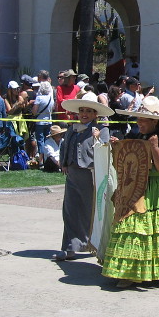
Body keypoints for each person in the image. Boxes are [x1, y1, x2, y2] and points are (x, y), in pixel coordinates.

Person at [103, 96, 159, 288]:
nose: (139, 123)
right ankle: (130, 272)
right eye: (138, 119)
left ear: (154, 121)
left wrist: (154, 147)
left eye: (143, 120)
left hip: (157, 189)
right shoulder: (139, 136)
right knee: (133, 228)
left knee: (156, 231)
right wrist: (118, 145)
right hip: (136, 187)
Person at [54, 92, 114, 261]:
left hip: (91, 175)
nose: (84, 114)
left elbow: (105, 151)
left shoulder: (101, 130)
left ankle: (93, 244)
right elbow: (65, 147)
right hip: (73, 174)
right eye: (81, 110)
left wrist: (97, 139)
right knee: (70, 210)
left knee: (92, 211)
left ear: (96, 114)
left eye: (89, 111)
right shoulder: (72, 129)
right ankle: (69, 247)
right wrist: (64, 163)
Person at [32, 81, 54, 167]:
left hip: (40, 122)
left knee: (40, 141)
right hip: (49, 121)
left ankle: (41, 161)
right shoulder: (50, 98)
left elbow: (34, 111)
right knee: (47, 140)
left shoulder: (39, 98)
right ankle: (47, 159)